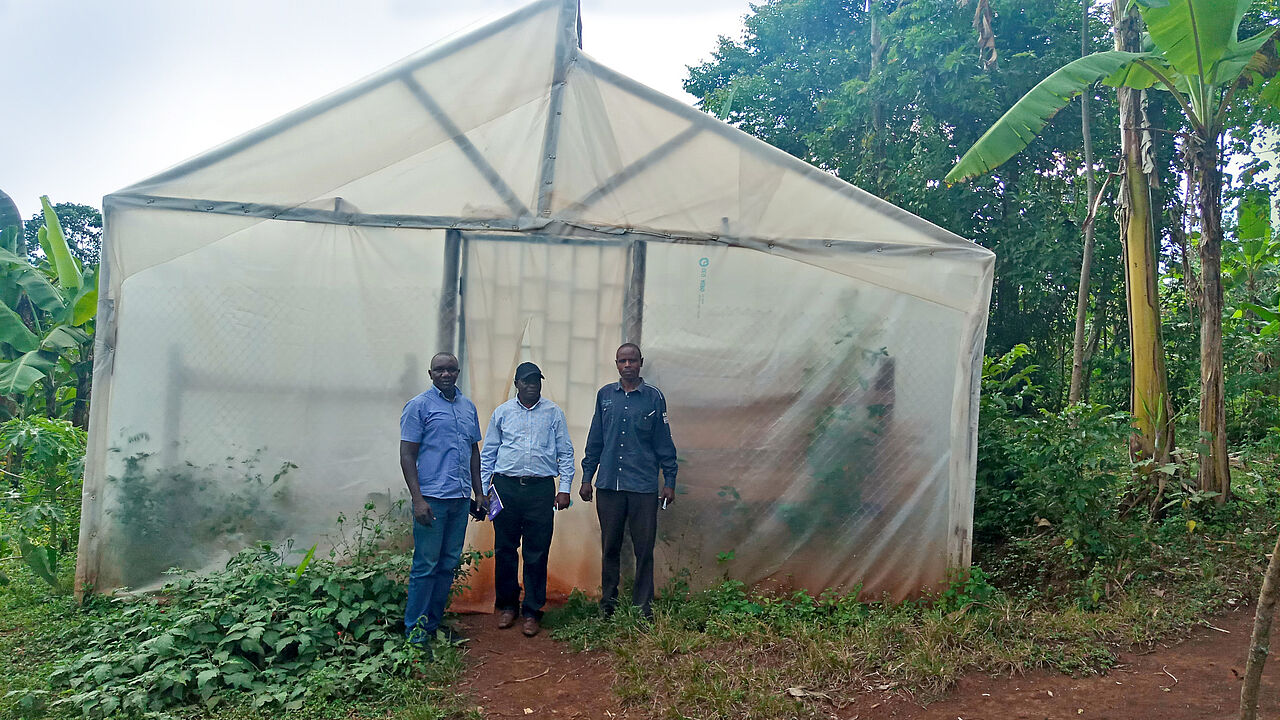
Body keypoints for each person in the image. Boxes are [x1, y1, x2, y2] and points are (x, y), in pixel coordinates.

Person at [579, 343, 678, 621]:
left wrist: (669, 481)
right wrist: (588, 477)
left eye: (632, 360)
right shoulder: (605, 396)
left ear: (641, 362)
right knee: (610, 546)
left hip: (643, 487)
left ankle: (642, 608)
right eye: (622, 361)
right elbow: (595, 439)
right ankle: (608, 605)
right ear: (616, 364)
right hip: (609, 485)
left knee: (644, 548)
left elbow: (664, 443)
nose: (627, 365)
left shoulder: (654, 398)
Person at [479, 361, 575, 637]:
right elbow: (489, 454)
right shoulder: (502, 413)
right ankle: (508, 606)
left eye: (536, 380)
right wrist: (484, 490)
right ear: (516, 384)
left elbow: (565, 453)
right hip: (506, 489)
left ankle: (532, 610)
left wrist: (564, 488)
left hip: (540, 490)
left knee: (537, 551)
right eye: (526, 380)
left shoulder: (553, 413)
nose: (532, 385)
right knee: (505, 549)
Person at [399, 351, 484, 646]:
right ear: (430, 373)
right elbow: (407, 455)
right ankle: (415, 634)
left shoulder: (467, 407)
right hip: (432, 500)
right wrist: (418, 499)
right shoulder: (419, 407)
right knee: (426, 565)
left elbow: (474, 452)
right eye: (440, 370)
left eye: (451, 369)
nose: (445, 374)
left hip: (459, 499)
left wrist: (479, 492)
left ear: (458, 372)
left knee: (448, 564)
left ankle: (433, 624)